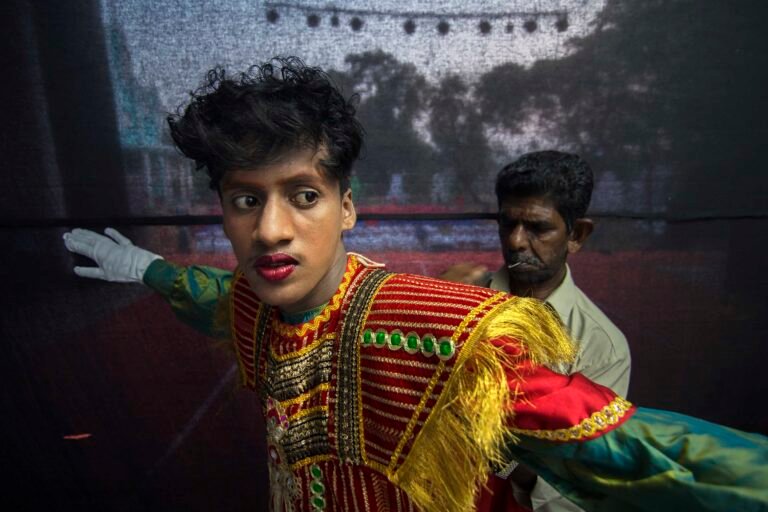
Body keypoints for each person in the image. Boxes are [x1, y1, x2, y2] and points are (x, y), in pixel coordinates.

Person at [63, 58, 768, 512]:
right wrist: (146, 269)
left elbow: (623, 445)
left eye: (303, 196)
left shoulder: (441, 333)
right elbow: (215, 299)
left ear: (346, 207)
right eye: (246, 201)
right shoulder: (256, 304)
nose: (272, 230)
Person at [442, 151, 630, 511]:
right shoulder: (459, 300)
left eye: (537, 228)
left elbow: (576, 484)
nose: (515, 241)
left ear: (577, 234)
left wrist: (503, 460)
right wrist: (435, 307)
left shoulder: (600, 346)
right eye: (507, 223)